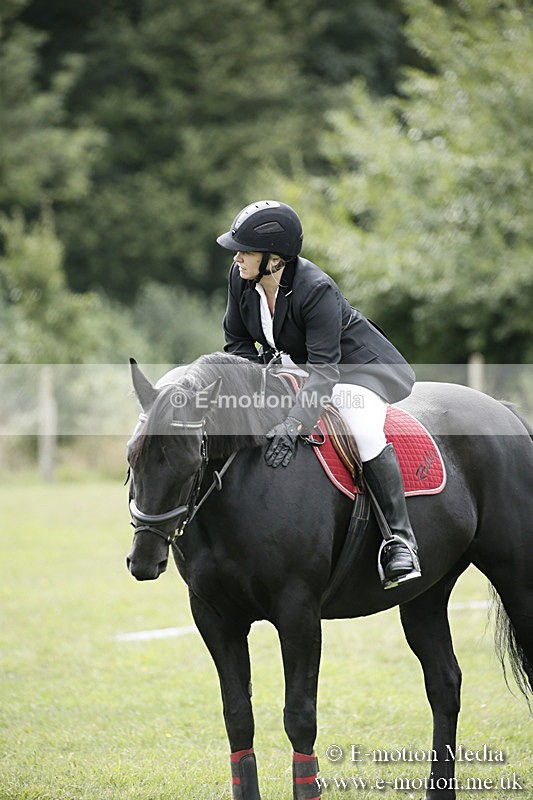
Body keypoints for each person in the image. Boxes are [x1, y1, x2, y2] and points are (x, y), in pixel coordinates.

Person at [216, 200, 420, 589]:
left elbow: (327, 369)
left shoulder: (316, 288)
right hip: (307, 369)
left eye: (246, 249)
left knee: (361, 426)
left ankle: (400, 541)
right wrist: (259, 385)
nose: (237, 256)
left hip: (360, 370)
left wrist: (295, 424)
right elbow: (237, 341)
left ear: (274, 258)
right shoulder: (240, 278)